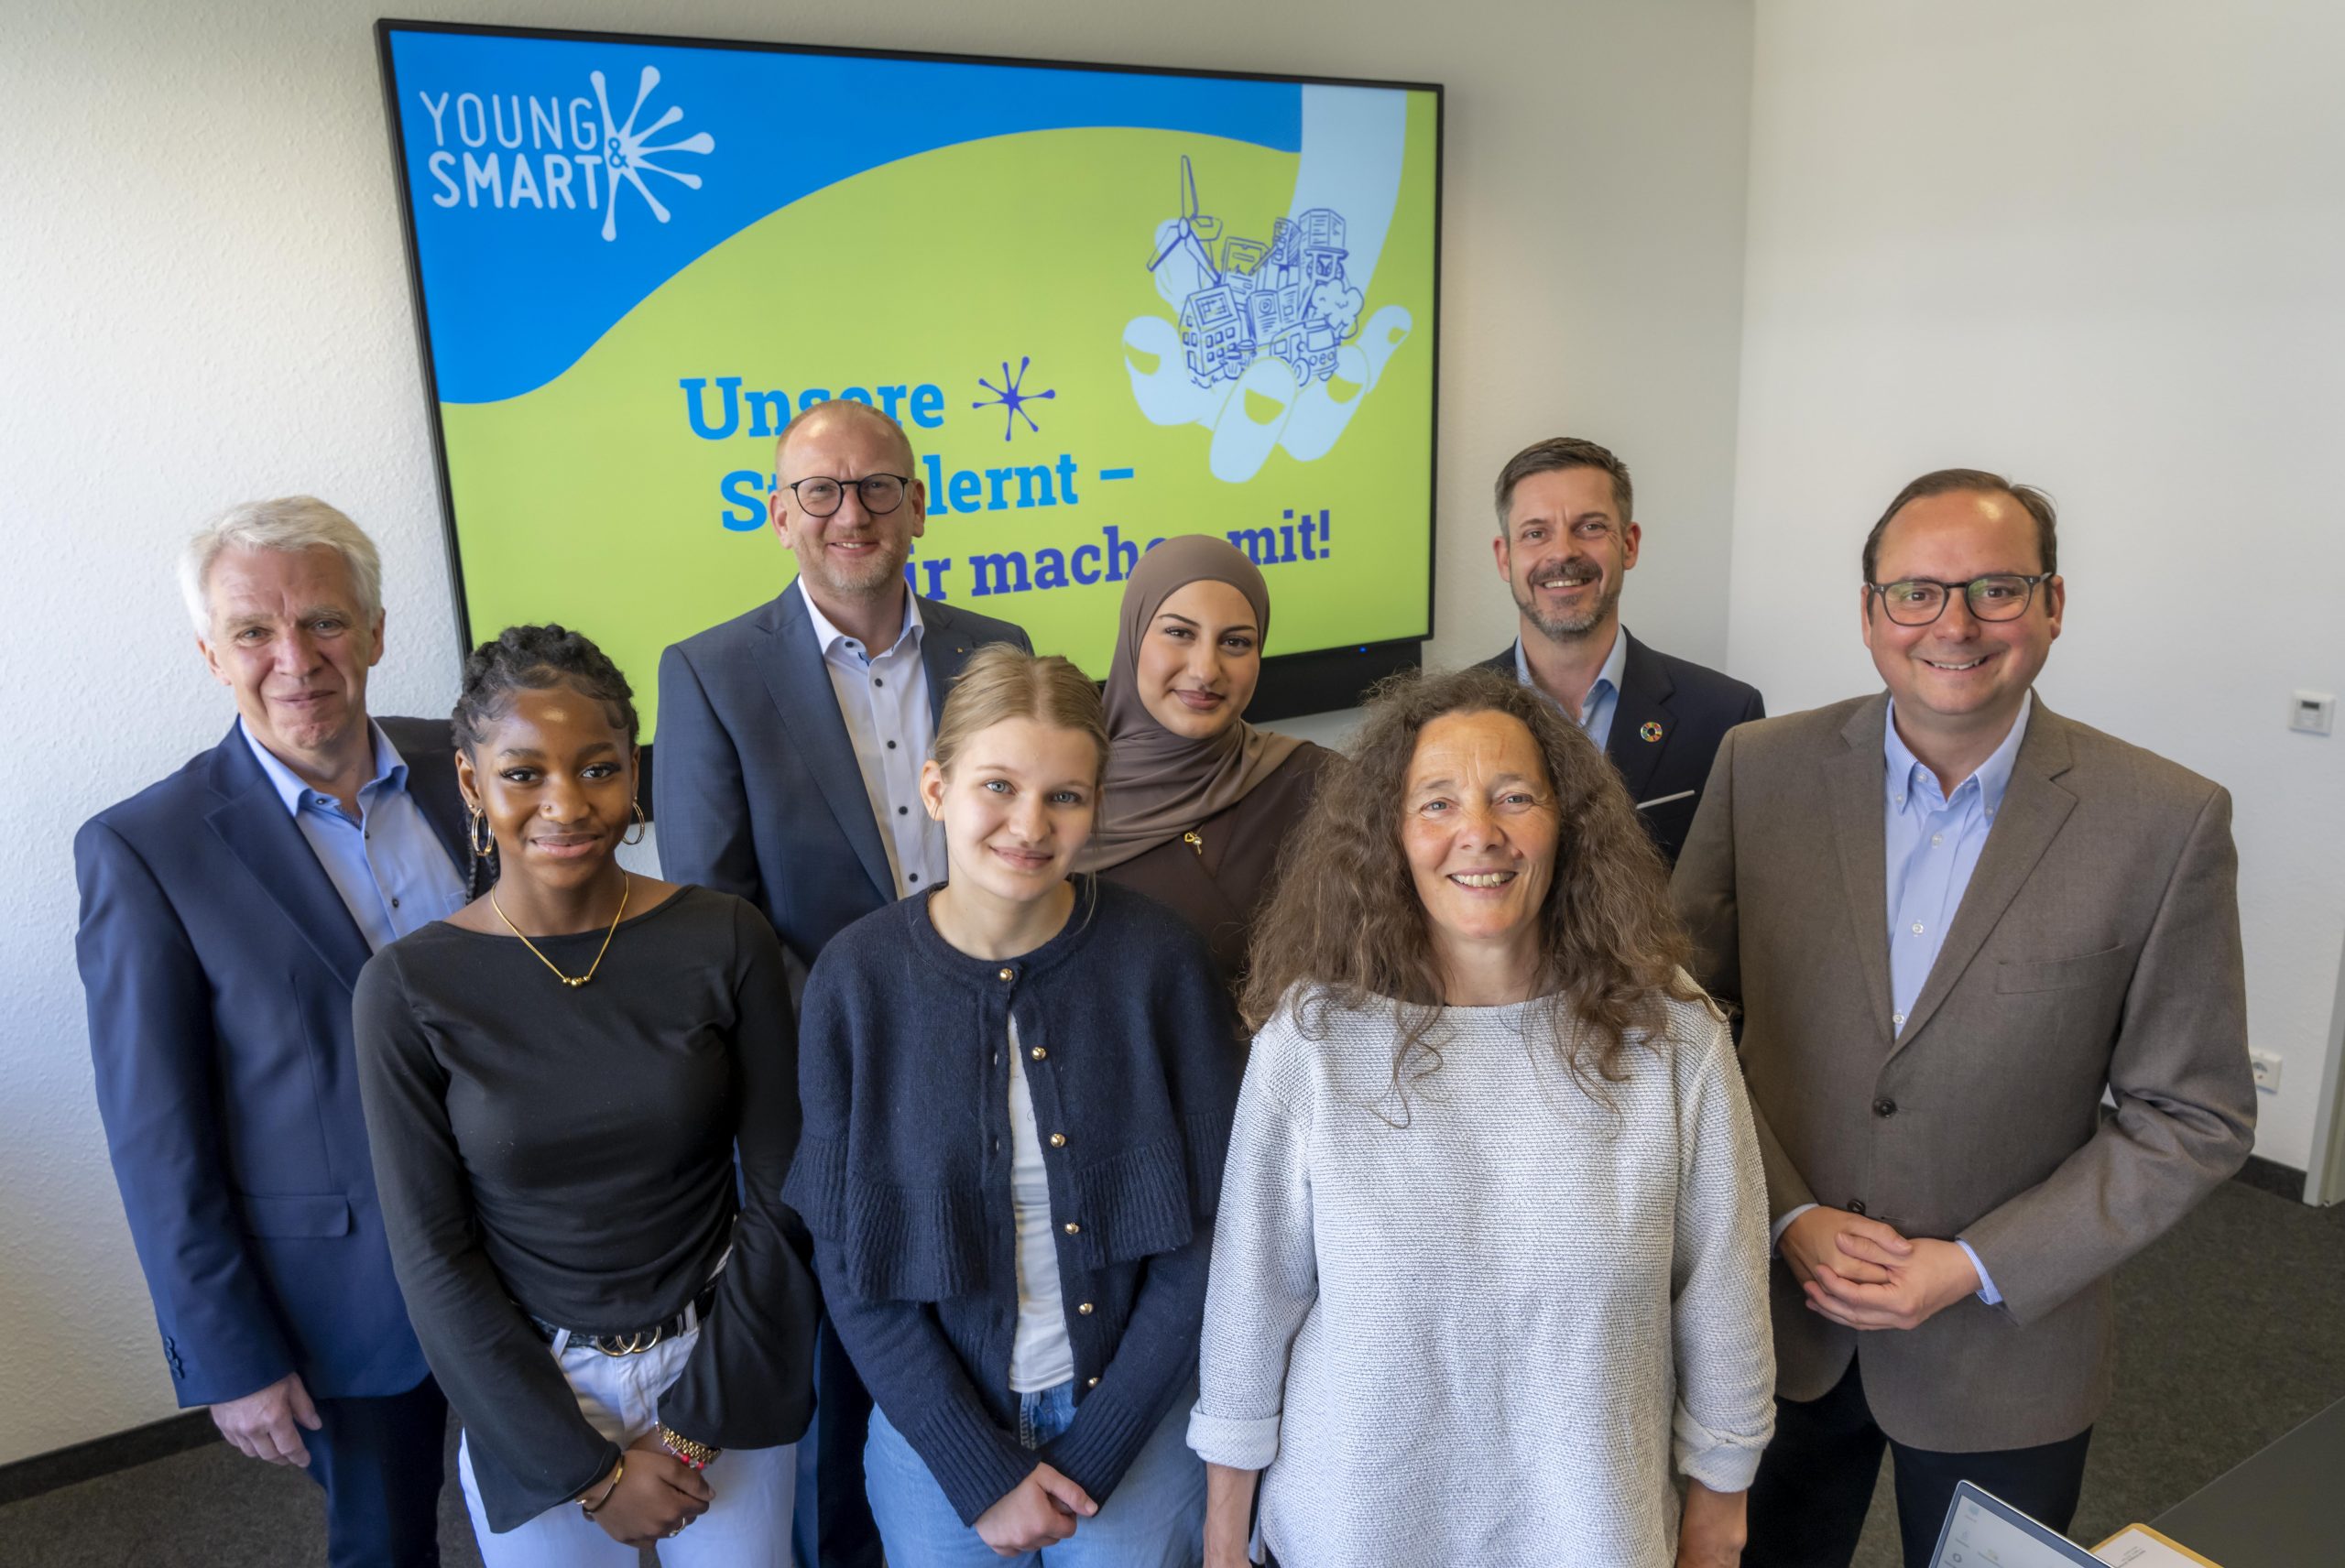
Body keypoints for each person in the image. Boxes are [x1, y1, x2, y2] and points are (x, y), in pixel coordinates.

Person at [1672, 470, 2256, 1568]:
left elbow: (2193, 1115)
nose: (1953, 623)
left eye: (1995, 588)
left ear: (2053, 604)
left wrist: (1974, 1263)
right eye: (1916, 592)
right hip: (1774, 1324)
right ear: (1866, 611)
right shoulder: (1763, 771)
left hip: (2006, 1353)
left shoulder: (2165, 821)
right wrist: (1788, 1212)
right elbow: (1680, 1025)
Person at [1192, 666, 1773, 1568]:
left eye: (1514, 796)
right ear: (1390, 834)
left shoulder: (1671, 1037)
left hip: (1593, 1534)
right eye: (1436, 802)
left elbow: (1726, 1304)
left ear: (1566, 824)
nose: (1479, 832)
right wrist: (1223, 1540)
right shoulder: (1312, 1041)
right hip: (1352, 1534)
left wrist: (1718, 1516)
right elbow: (1248, 1309)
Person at [657, 397, 1031, 1566]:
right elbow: (721, 912)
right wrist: (875, 1021)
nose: (849, 511)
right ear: (779, 516)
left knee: (993, 1296)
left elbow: (1025, 834)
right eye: (819, 489)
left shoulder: (997, 648)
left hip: (1005, 1038)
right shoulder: (712, 671)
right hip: (829, 1074)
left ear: (919, 505)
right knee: (846, 1344)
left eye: (876, 486)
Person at [354, 625, 819, 1563]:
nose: (565, 803)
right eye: (523, 773)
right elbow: (433, 1257)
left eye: (597, 767)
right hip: (529, 1389)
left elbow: (782, 1197)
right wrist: (590, 1471)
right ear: (471, 783)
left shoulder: (722, 936)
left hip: (721, 1361)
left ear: (633, 774)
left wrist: (690, 1431)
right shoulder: (408, 987)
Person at [75, 497, 471, 1567]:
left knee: (574, 1518)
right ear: (210, 653)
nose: (295, 658)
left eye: (326, 622)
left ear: (378, 632)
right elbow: (158, 1137)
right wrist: (226, 1353)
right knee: (385, 1544)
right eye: (254, 630)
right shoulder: (146, 848)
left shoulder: (478, 770)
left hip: (543, 1254)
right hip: (348, 1299)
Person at [785, 646, 1238, 1566]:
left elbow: (1208, 1232)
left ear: (1095, 805)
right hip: (936, 1443)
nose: (1028, 824)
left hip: (1137, 1426)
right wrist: (974, 1466)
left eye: (1065, 795)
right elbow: (849, 1254)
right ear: (936, 784)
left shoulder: (1159, 963)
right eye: (997, 784)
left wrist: (1100, 1443)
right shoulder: (857, 979)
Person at [1476, 436, 1763, 865]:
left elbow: (1744, 898)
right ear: (1505, 558)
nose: (1563, 553)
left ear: (1629, 544)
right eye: (1536, 533)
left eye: (1590, 527)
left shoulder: (1726, 717)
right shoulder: (1447, 716)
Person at [1080, 535, 1330, 995]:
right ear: (1133, 635)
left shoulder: (1320, 786)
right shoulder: (1061, 801)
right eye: (1179, 633)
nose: (1205, 670)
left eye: (1235, 642)